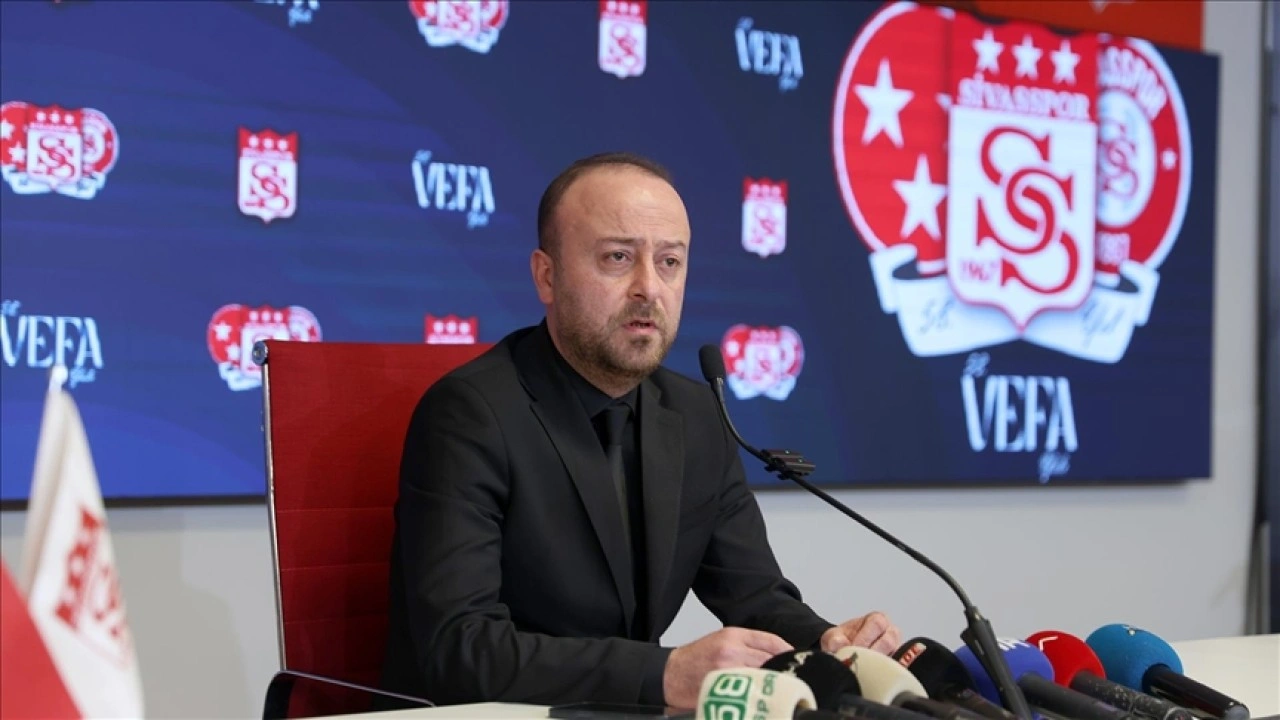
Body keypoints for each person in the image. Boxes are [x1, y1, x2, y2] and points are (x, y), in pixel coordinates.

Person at [380, 152, 901, 709]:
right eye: (617, 257)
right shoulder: (470, 415)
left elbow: (755, 597)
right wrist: (664, 672)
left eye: (670, 261)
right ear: (547, 276)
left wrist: (827, 643)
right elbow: (459, 649)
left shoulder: (697, 415)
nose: (649, 288)